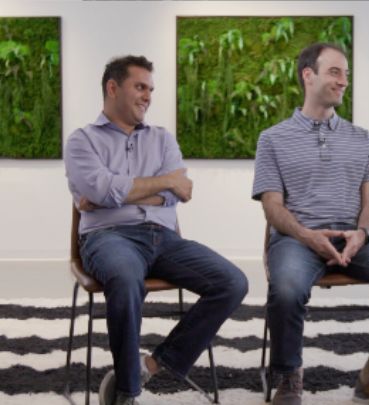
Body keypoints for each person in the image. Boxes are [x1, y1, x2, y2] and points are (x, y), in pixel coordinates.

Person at [252, 43, 369, 405]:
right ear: (308, 76)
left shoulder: (364, 140)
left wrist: (362, 233)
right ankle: (290, 377)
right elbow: (272, 208)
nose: (344, 81)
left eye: (346, 74)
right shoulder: (272, 139)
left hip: (354, 240)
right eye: (335, 72)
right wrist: (307, 235)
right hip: (296, 241)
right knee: (286, 288)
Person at [64, 55, 248, 405]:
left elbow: (183, 191)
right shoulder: (82, 141)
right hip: (107, 238)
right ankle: (126, 393)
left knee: (233, 282)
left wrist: (114, 193)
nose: (148, 96)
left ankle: (151, 365)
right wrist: (159, 186)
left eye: (151, 89)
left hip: (164, 240)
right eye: (140, 87)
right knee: (125, 276)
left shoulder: (162, 139)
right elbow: (105, 190)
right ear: (113, 87)